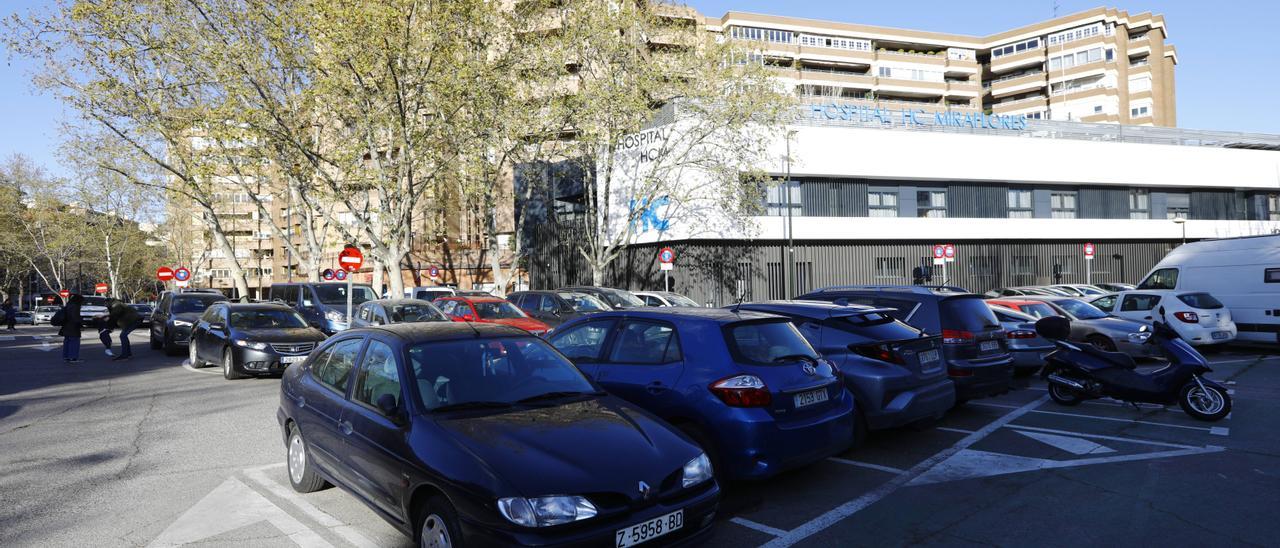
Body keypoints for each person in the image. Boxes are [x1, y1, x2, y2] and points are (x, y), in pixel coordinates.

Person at [58, 294, 84, 364]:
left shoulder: (68, 305)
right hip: (73, 327)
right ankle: (73, 358)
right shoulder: (75, 306)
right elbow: (75, 318)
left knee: (67, 342)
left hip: (66, 326)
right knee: (74, 342)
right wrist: (81, 324)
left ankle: (66, 357)